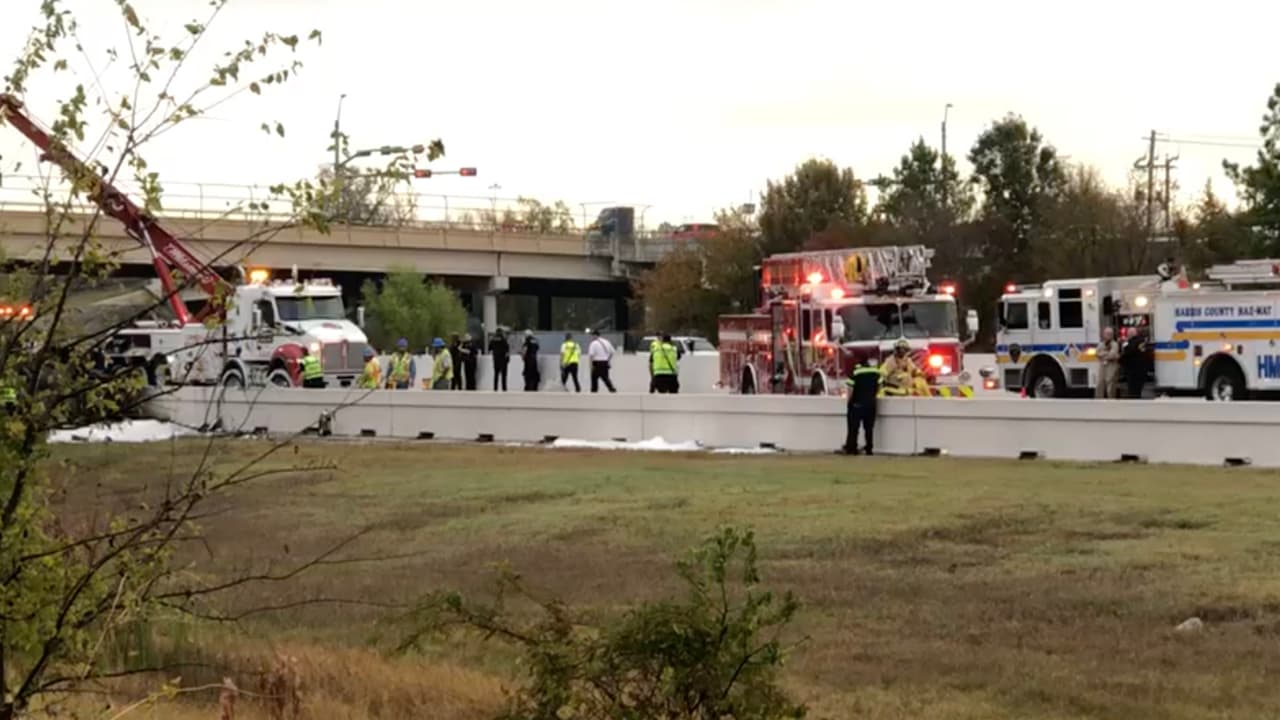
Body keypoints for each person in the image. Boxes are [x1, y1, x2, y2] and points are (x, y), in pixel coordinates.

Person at [842, 352, 882, 455]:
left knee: (853, 428)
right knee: (869, 428)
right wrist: (873, 395)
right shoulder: (875, 371)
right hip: (871, 404)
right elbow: (880, 385)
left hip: (857, 404)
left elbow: (850, 389)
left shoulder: (855, 372)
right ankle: (869, 449)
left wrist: (849, 402)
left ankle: (852, 448)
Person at [587, 328, 616, 393]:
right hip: (605, 362)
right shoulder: (607, 342)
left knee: (594, 378)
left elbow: (591, 356)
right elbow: (612, 352)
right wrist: (608, 360)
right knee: (605, 377)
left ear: (595, 335)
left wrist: (591, 365)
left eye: (592, 335)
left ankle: (594, 390)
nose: (592, 337)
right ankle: (611, 388)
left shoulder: (593, 343)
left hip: (597, 363)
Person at [1096, 326, 1121, 399]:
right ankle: (1098, 399)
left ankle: (1111, 399)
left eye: (1110, 333)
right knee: (1099, 383)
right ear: (1103, 334)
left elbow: (1112, 355)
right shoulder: (1101, 344)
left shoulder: (1115, 344)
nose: (1108, 335)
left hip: (1111, 366)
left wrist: (1103, 354)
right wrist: (1107, 353)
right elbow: (1097, 353)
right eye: (1107, 333)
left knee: (1110, 384)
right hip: (1102, 366)